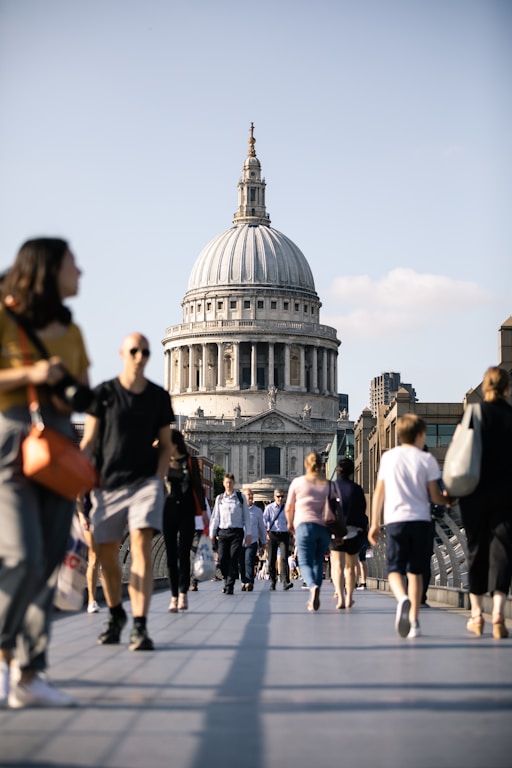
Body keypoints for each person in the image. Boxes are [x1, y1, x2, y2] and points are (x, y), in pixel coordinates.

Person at [0, 237, 90, 708]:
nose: (82, 271)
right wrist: (33, 375)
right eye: (73, 264)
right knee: (20, 555)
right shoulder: (5, 317)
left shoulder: (70, 330)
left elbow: (83, 391)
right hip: (12, 441)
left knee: (50, 558)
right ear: (48, 270)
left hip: (57, 444)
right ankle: (2, 655)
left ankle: (29, 674)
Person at [81, 333, 174, 651]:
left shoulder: (159, 398)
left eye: (145, 352)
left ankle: (140, 624)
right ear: (122, 352)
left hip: (145, 484)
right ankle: (117, 612)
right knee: (107, 558)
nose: (139, 356)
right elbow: (89, 443)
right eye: (134, 351)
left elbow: (165, 445)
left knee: (142, 549)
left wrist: (159, 478)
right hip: (107, 485)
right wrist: (72, 474)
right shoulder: (104, 394)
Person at [368, 414, 450, 639]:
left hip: (395, 521)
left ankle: (401, 598)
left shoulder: (388, 458)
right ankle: (414, 622)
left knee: (394, 569)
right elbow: (434, 496)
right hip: (422, 521)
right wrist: (448, 499)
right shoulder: (427, 460)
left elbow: (378, 494)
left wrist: (375, 523)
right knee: (416, 572)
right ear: (420, 435)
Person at [458, 367, 512, 639]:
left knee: (476, 550)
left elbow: (461, 453)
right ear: (507, 388)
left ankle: (477, 615)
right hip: (507, 494)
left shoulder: (474, 414)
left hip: (474, 492)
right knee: (503, 551)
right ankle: (499, 613)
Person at [163, 429, 208, 612]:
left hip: (187, 512)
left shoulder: (191, 461)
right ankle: (174, 596)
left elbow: (198, 487)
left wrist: (204, 512)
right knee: (171, 556)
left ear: (175, 444)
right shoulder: (162, 462)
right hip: (167, 511)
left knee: (183, 554)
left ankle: (183, 593)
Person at [285, 452, 332, 612]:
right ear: (321, 465)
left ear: (305, 464)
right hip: (323, 527)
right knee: (318, 561)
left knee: (304, 562)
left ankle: (312, 587)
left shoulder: (298, 483)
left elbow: (289, 507)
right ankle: (316, 588)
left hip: (304, 526)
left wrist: (290, 523)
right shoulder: (327, 484)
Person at [330, 458, 369, 610]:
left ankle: (340, 597)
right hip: (353, 531)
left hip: (335, 531)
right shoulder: (357, 489)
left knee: (337, 566)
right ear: (352, 472)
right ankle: (350, 597)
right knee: (350, 566)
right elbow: (362, 512)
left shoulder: (330, 488)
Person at [209, 473, 251, 594]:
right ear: (223, 483)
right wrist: (212, 533)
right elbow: (215, 517)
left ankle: (229, 585)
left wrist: (248, 534)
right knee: (222, 559)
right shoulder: (220, 498)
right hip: (223, 532)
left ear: (234, 483)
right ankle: (226, 578)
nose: (228, 485)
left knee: (233, 558)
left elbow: (246, 517)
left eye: (230, 482)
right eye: (226, 482)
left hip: (237, 533)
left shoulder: (240, 497)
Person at [263, 489, 294, 591]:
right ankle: (273, 581)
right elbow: (264, 521)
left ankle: (285, 581)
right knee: (272, 559)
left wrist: (292, 533)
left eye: (282, 496)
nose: (280, 498)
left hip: (284, 535)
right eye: (278, 496)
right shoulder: (269, 508)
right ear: (274, 497)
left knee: (284, 558)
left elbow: (291, 520)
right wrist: (266, 532)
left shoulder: (286, 508)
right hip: (273, 534)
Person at [77, 493, 101, 613]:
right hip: (89, 517)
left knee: (102, 558)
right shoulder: (91, 474)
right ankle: (91, 601)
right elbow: (79, 496)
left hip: (106, 516)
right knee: (94, 557)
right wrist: (81, 516)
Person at [240, 489, 267, 591]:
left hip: (252, 540)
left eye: (252, 494)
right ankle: (243, 580)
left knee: (249, 560)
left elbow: (262, 527)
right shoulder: (239, 510)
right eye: (248, 494)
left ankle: (250, 581)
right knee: (241, 562)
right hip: (240, 541)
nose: (250, 496)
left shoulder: (258, 511)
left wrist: (264, 541)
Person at [190, 497, 211, 592]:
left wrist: (210, 530)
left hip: (198, 528)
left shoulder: (200, 495)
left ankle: (193, 581)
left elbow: (208, 513)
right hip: (184, 528)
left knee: (194, 556)